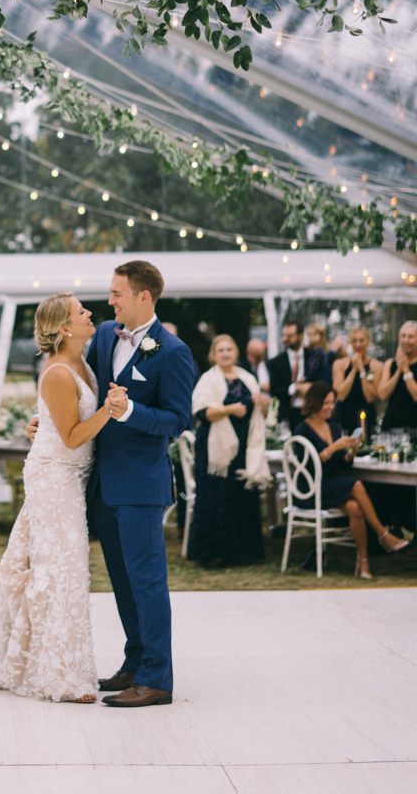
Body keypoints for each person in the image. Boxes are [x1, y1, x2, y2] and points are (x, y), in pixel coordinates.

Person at [0, 293, 114, 702]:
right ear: (65, 329)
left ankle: (31, 662)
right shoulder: (57, 372)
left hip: (69, 473)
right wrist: (110, 410)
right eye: (81, 311)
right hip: (55, 477)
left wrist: (44, 425)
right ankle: (58, 677)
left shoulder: (83, 362)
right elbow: (73, 437)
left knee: (63, 570)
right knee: (61, 572)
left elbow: (62, 423)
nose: (90, 313)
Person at [88, 260, 194, 708]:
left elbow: (179, 419)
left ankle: (157, 679)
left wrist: (131, 412)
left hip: (142, 486)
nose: (109, 300)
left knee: (148, 582)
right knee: (122, 581)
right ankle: (135, 662)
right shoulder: (101, 337)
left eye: (117, 293)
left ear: (143, 296)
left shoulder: (172, 352)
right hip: (104, 484)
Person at [294, 383, 409, 579]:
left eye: (332, 402)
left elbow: (343, 464)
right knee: (356, 485)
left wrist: (351, 452)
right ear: (314, 403)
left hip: (331, 485)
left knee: (355, 508)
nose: (330, 407)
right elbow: (308, 466)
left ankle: (363, 564)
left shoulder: (334, 427)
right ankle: (383, 534)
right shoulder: (302, 429)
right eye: (326, 403)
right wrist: (333, 447)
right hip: (311, 488)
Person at [188, 335, 271, 567]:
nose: (225, 353)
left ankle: (243, 552)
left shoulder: (248, 378)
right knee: (216, 498)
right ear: (213, 354)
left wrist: (264, 404)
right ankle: (213, 554)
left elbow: (258, 415)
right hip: (216, 447)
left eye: (229, 349)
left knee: (241, 498)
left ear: (236, 352)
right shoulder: (207, 379)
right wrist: (228, 409)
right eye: (221, 350)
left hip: (244, 446)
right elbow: (202, 412)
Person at [332, 327, 381, 438]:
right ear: (350, 342)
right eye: (354, 340)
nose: (358, 344)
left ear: (368, 342)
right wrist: (354, 369)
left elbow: (370, 397)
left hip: (366, 415)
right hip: (344, 415)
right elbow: (341, 395)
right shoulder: (339, 364)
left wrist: (362, 371)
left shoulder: (377, 366)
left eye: (361, 340)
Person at [268, 319, 312, 430]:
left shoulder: (312, 356)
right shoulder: (276, 362)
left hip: (311, 411)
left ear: (300, 336)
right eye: (284, 335)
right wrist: (295, 388)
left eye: (290, 336)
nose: (285, 339)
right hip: (288, 414)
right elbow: (274, 389)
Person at [378, 320, 417, 431]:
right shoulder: (390, 364)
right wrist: (399, 369)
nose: (406, 340)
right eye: (403, 336)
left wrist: (406, 369)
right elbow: (382, 394)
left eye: (411, 337)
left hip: (414, 426)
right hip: (392, 425)